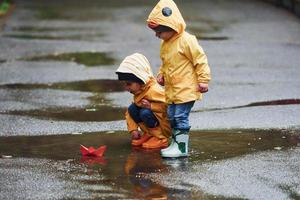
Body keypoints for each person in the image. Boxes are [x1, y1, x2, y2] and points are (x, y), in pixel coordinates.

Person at [147, 0, 211, 157]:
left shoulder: (187, 40)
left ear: (171, 28)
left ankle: (181, 148)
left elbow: (200, 60)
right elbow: (165, 63)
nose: (157, 35)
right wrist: (161, 75)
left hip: (186, 89)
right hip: (173, 91)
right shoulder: (166, 44)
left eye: (159, 32)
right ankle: (175, 144)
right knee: (171, 116)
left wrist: (203, 79)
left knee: (180, 117)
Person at [116, 53, 171, 149]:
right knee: (132, 108)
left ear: (140, 80)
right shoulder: (140, 92)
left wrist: (152, 106)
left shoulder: (154, 90)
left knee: (145, 112)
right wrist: (133, 129)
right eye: (125, 84)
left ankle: (160, 138)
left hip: (164, 126)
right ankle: (149, 134)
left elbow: (170, 106)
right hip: (152, 124)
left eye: (129, 84)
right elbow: (129, 113)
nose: (126, 88)